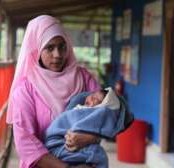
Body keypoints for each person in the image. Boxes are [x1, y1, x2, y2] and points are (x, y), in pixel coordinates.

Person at [6, 15, 102, 168]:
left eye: (62, 46)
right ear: (37, 49)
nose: (57, 54)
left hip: (85, 161)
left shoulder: (83, 78)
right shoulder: (26, 89)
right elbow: (25, 142)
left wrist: (91, 137)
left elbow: (107, 112)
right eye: (49, 48)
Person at [44, 88, 134, 168]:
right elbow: (73, 127)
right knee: (99, 155)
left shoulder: (95, 114)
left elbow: (85, 130)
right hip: (58, 140)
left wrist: (91, 137)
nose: (91, 98)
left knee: (94, 153)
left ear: (100, 108)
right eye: (92, 95)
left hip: (62, 144)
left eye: (95, 100)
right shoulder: (79, 109)